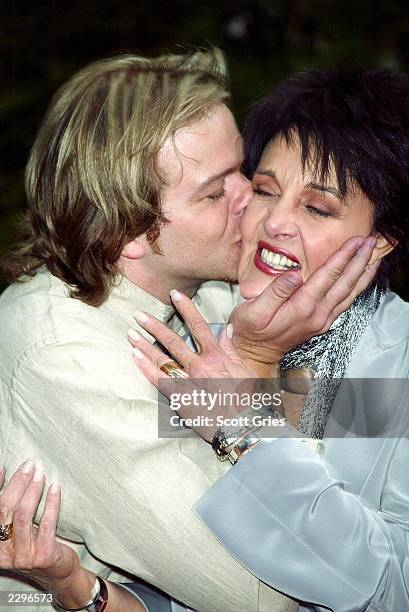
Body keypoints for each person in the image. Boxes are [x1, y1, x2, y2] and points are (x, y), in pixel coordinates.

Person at [0, 62, 385, 612]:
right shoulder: (66, 356)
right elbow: (263, 594)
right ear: (125, 233)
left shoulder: (198, 291)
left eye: (242, 170)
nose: (252, 198)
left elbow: (372, 417)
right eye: (212, 194)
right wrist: (257, 368)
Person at [129, 68, 409, 611]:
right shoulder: (200, 325)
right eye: (265, 190)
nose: (274, 221)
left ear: (380, 244)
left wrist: (243, 417)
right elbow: (171, 567)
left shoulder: (395, 361)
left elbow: (389, 590)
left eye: (316, 207)